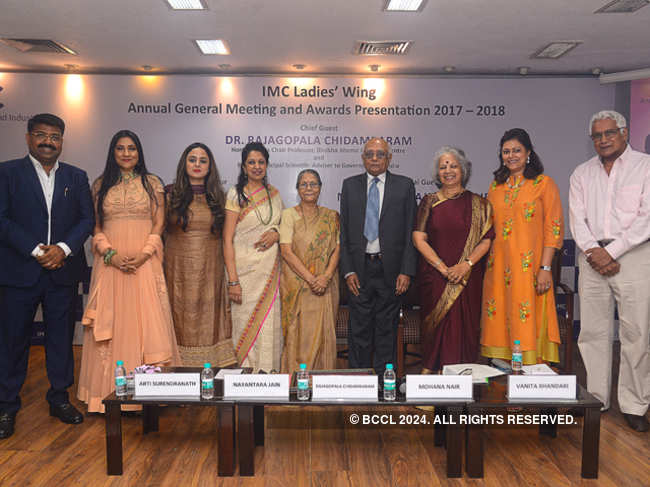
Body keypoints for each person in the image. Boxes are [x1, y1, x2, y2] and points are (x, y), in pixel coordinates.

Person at [0, 113, 94, 439]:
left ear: (62, 142)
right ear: (28, 137)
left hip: (62, 272)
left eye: (54, 137)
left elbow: (87, 220)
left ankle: (59, 398)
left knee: (60, 340)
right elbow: (2, 219)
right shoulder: (7, 172)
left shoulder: (76, 176)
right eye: (41, 135)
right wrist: (36, 250)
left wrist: (64, 249)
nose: (47, 142)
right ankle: (6, 405)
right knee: (12, 341)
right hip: (18, 271)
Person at [77, 130, 180, 413]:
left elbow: (159, 223)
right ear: (113, 152)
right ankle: (105, 395)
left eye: (132, 148)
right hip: (111, 263)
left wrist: (145, 253)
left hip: (144, 262)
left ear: (139, 153)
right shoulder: (100, 184)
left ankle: (150, 394)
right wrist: (110, 253)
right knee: (114, 322)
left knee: (147, 322)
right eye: (120, 148)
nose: (126, 153)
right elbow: (95, 225)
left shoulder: (152, 183)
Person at [569, 110, 650, 432]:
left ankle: (634, 404)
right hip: (591, 257)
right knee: (593, 332)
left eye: (609, 133)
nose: (603, 140)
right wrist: (595, 252)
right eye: (597, 136)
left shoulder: (645, 166)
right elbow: (577, 219)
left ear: (624, 132)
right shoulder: (582, 173)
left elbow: (646, 218)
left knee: (636, 333)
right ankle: (597, 399)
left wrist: (612, 252)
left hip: (634, 253)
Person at [480, 128, 564, 366]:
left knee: (527, 314)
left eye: (517, 150)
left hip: (531, 269)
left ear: (528, 153)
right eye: (506, 151)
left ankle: (531, 375)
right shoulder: (495, 187)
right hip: (498, 270)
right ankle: (502, 376)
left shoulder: (543, 184)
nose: (511, 156)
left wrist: (545, 267)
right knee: (499, 313)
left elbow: (554, 228)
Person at [340, 137, 417, 375]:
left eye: (380, 154)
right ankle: (358, 382)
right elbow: (344, 232)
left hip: (391, 270)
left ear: (389, 158)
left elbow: (409, 231)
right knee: (358, 330)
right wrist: (348, 270)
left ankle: (386, 384)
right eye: (370, 154)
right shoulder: (350, 185)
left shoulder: (404, 185)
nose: (374, 158)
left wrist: (406, 270)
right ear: (363, 158)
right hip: (360, 269)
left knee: (387, 330)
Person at [413, 147, 494, 372]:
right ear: (437, 173)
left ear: (463, 170)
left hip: (467, 279)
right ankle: (431, 383)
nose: (448, 170)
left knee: (464, 331)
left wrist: (465, 265)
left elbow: (486, 241)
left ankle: (462, 383)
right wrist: (443, 268)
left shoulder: (481, 205)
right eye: (443, 167)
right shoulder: (429, 202)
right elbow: (419, 239)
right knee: (436, 330)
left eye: (453, 165)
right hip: (436, 278)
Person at [164, 143, 236, 367]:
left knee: (209, 321)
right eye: (192, 159)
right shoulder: (168, 194)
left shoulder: (220, 198)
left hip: (210, 273)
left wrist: (273, 232)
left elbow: (237, 233)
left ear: (210, 166)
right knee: (177, 320)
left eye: (203, 160)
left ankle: (209, 375)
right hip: (176, 273)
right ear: (184, 164)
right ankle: (177, 377)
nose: (197, 164)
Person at [223, 142, 283, 371]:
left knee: (268, 324)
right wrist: (233, 281)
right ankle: (247, 377)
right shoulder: (235, 195)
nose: (257, 167)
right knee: (244, 326)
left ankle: (268, 375)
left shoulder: (274, 194)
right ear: (244, 166)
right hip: (244, 275)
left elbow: (282, 227)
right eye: (252, 162)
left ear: (267, 165)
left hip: (269, 275)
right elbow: (227, 239)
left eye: (261, 162)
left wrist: (276, 234)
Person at [279, 170, 340, 374]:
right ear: (297, 189)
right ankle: (297, 381)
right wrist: (312, 279)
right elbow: (286, 251)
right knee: (298, 336)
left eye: (313, 184)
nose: (309, 188)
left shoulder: (331, 217)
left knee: (323, 335)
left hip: (326, 285)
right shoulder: (288, 215)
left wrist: (326, 277)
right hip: (298, 285)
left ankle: (321, 381)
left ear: (320, 188)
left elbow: (338, 249)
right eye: (304, 184)